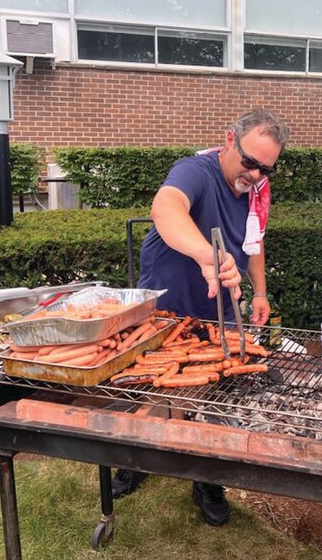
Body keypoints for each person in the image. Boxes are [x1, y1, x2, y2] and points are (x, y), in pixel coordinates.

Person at [112, 108, 291, 526]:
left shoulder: (256, 190)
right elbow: (166, 208)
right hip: (168, 303)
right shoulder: (195, 171)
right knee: (150, 386)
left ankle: (206, 478)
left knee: (211, 394)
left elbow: (254, 242)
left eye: (266, 169)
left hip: (218, 308)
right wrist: (203, 253)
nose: (254, 174)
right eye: (249, 162)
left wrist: (260, 292)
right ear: (230, 141)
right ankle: (135, 460)